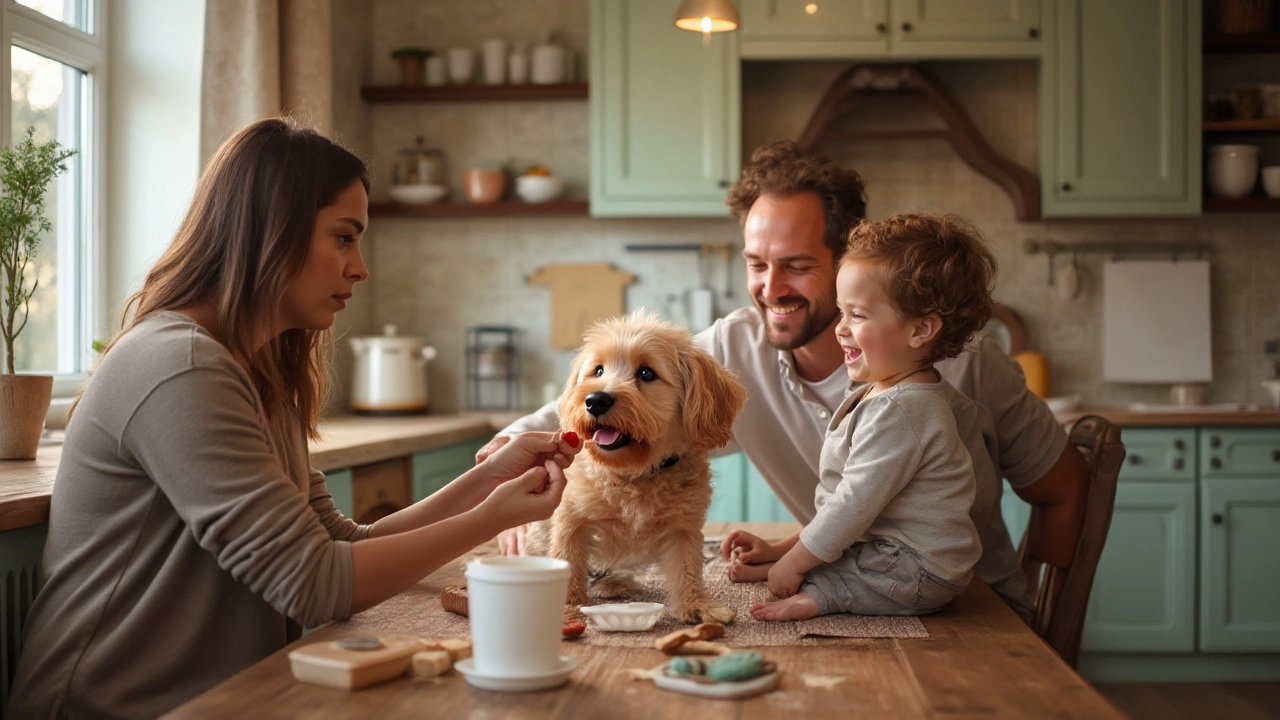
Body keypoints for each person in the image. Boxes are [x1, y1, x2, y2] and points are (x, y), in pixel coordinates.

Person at [8, 118, 581, 719]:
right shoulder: (179, 365)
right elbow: (316, 585)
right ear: (271, 230)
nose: (359, 267)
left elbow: (338, 545)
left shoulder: (257, 371)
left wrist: (485, 484)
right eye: (343, 237)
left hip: (224, 699)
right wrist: (489, 519)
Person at [481, 140, 1088, 622]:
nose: (771, 289)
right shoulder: (726, 351)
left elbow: (1064, 486)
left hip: (973, 608)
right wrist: (509, 482)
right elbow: (582, 411)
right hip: (851, 590)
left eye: (796, 266)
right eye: (756, 264)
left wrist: (1043, 622)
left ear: (847, 263)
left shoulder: (966, 362)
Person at [725, 213, 997, 622]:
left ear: (920, 330)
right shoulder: (893, 392)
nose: (840, 329)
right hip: (893, 552)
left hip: (919, 571)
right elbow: (848, 508)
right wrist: (784, 551)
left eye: (859, 315)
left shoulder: (903, 410)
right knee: (842, 552)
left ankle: (825, 596)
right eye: (841, 311)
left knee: (832, 575)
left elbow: (851, 507)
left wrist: (794, 566)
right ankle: (795, 569)